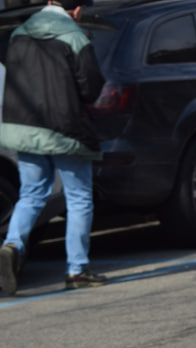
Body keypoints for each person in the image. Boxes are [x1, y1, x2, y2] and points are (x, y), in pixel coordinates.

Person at [0, 0, 105, 296]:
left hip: (23, 126)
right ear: (78, 10)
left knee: (31, 193)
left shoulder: (19, 33)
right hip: (64, 129)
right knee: (79, 197)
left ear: (48, 3)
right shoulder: (74, 37)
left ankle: (11, 245)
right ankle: (77, 269)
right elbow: (91, 88)